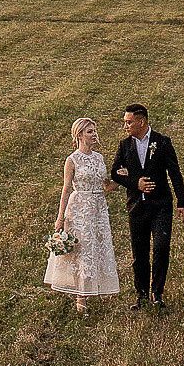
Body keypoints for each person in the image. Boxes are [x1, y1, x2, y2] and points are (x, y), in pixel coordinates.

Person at [109, 103, 184, 310]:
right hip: (136, 207)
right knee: (139, 253)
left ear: (141, 121)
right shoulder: (125, 145)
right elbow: (115, 172)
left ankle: (157, 293)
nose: (125, 126)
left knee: (161, 247)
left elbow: (175, 173)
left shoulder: (162, 142)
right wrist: (135, 183)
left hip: (160, 205)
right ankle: (141, 294)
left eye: (128, 122)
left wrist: (182, 202)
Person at [43, 117, 120, 314]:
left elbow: (106, 186)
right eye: (89, 132)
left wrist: (122, 178)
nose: (94, 135)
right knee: (81, 249)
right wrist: (60, 217)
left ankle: (92, 287)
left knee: (96, 247)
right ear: (79, 135)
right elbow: (66, 189)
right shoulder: (72, 160)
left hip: (98, 208)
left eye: (95, 131)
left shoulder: (99, 158)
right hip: (79, 208)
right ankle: (81, 297)